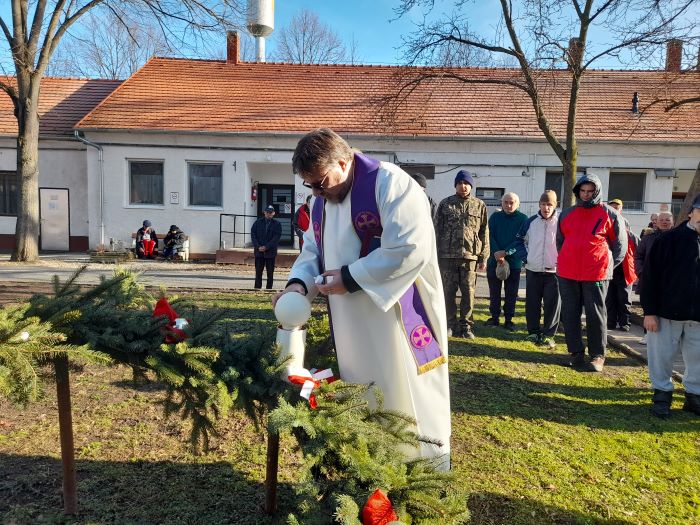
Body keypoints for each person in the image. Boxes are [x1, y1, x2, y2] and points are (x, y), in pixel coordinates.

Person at [274, 128, 451, 466]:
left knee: (406, 392)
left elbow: (409, 248)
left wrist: (351, 277)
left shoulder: (391, 184)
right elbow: (312, 251)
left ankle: (425, 469)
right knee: (364, 391)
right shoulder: (321, 202)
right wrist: (298, 286)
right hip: (351, 322)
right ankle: (372, 467)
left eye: (320, 183)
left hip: (398, 315)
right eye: (310, 186)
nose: (317, 193)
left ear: (343, 162)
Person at [557, 174, 627, 372]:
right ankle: (576, 352)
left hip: (596, 274)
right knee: (570, 314)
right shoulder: (567, 214)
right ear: (578, 191)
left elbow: (620, 247)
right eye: (583, 191)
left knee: (595, 314)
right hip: (568, 272)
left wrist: (606, 267)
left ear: (597, 192)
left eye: (590, 191)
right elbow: (560, 242)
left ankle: (597, 355)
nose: (586, 195)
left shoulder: (610, 214)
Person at [641, 194, 700, 419]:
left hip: (698, 316)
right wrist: (649, 312)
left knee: (698, 360)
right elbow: (650, 277)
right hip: (666, 312)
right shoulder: (669, 240)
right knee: (662, 357)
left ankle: (694, 396)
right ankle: (662, 395)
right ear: (691, 213)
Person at [435, 170, 489, 339]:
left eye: (466, 183)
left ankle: (466, 326)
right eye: (460, 183)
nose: (463, 186)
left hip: (470, 257)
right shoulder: (445, 204)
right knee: (448, 293)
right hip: (447, 256)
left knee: (469, 293)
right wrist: (434, 254)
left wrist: (483, 256)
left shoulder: (479, 205)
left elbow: (484, 232)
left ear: (471, 186)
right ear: (455, 185)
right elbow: (437, 229)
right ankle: (450, 325)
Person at [510, 190, 560, 348]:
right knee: (532, 303)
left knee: (552, 305)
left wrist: (562, 261)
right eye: (543, 204)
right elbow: (518, 241)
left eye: (549, 204)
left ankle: (548, 335)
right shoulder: (531, 221)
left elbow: (568, 243)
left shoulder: (561, 222)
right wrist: (526, 258)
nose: (546, 208)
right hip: (533, 270)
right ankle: (533, 332)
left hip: (554, 272)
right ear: (539, 205)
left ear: (555, 205)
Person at [485, 192, 527, 331]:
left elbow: (521, 240)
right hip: (494, 260)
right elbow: (489, 235)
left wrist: (506, 252)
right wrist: (497, 252)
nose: (508, 205)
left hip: (513, 262)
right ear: (501, 203)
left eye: (512, 202)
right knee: (494, 291)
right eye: (506, 202)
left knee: (511, 292)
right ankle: (494, 317)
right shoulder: (495, 217)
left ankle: (509, 319)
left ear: (517, 204)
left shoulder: (523, 219)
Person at [634, 211, 674, 344]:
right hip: (649, 280)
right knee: (649, 307)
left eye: (667, 220)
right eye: (661, 220)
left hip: (671, 282)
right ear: (656, 222)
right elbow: (638, 256)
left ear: (672, 221)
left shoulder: (678, 238)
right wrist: (641, 272)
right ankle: (648, 335)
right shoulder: (648, 238)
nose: (664, 222)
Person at [605, 199, 639, 332]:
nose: (614, 210)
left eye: (617, 207)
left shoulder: (630, 234)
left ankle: (625, 323)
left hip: (625, 271)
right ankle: (610, 323)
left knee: (624, 299)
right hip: (609, 270)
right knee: (610, 298)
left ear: (621, 210)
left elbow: (639, 251)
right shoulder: (604, 230)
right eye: (612, 207)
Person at [251, 204, 282, 289]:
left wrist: (266, 247)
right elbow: (253, 235)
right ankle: (257, 288)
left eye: (270, 212)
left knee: (270, 273)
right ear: (264, 212)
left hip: (270, 252)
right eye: (267, 212)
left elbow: (276, 238)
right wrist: (258, 246)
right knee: (258, 272)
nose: (269, 214)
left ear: (274, 213)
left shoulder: (277, 224)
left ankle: (269, 289)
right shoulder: (257, 223)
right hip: (259, 252)